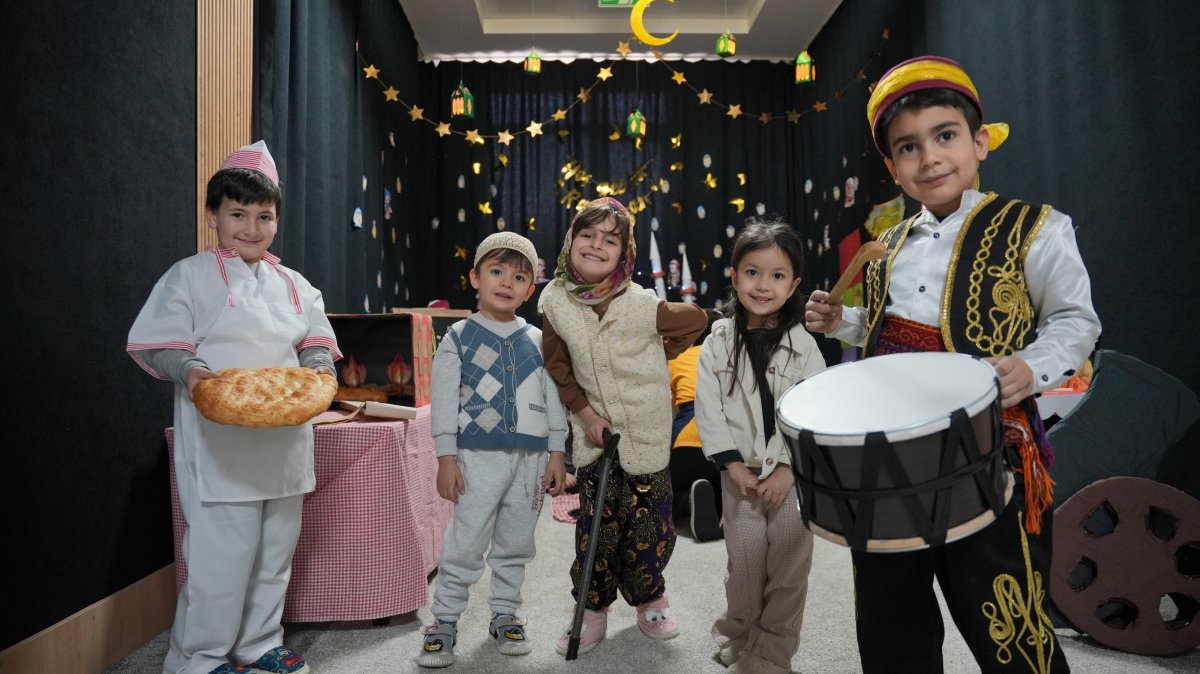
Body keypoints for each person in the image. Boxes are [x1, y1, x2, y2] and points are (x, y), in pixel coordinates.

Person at [805, 55, 1102, 673]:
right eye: (908, 147)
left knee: (1004, 609)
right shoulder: (886, 247)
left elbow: (1076, 321)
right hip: (891, 453)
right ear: (892, 166)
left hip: (988, 448)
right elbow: (888, 327)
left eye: (946, 136)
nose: (930, 157)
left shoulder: (1035, 228)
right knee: (891, 615)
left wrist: (1030, 366)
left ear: (981, 142)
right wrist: (844, 324)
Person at [126, 141, 339, 674]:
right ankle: (198, 658)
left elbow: (315, 340)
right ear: (212, 215)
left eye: (264, 216)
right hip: (219, 444)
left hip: (285, 440)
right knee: (221, 558)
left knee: (273, 554)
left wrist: (320, 369)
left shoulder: (294, 284)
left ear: (277, 220)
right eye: (237, 213)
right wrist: (193, 373)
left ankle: (258, 642)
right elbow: (160, 342)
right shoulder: (190, 275)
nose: (251, 226)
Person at [538, 197, 708, 656]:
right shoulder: (553, 300)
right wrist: (589, 416)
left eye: (609, 240)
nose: (596, 246)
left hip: (649, 437)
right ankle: (591, 610)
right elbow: (559, 369)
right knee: (596, 531)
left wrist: (665, 349)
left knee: (651, 529)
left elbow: (697, 319)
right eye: (587, 235)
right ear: (571, 241)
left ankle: (650, 598)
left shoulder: (642, 302)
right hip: (596, 442)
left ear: (624, 251)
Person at [417, 232, 569, 668]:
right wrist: (446, 458)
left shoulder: (539, 341)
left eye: (518, 276)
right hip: (475, 459)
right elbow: (444, 403)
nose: (506, 282)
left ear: (530, 289)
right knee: (465, 542)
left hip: (531, 461)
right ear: (475, 278)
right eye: (496, 271)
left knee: (516, 542)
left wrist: (557, 452)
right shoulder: (459, 337)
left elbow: (555, 400)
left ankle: (505, 613)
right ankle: (444, 621)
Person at [695, 222, 826, 674]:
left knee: (789, 565)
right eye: (752, 272)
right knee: (746, 562)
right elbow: (708, 409)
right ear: (734, 276)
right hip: (741, 476)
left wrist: (790, 468)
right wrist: (732, 467)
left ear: (794, 285)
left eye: (776, 275)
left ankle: (772, 653)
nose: (763, 285)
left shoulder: (805, 347)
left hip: (793, 477)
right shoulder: (717, 342)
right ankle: (740, 633)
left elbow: (815, 414)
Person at [667, 307, 724, 542]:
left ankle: (687, 500)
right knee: (728, 486)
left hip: (684, 443)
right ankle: (718, 506)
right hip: (721, 446)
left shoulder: (676, 360)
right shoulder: (730, 358)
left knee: (667, 493)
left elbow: (669, 410)